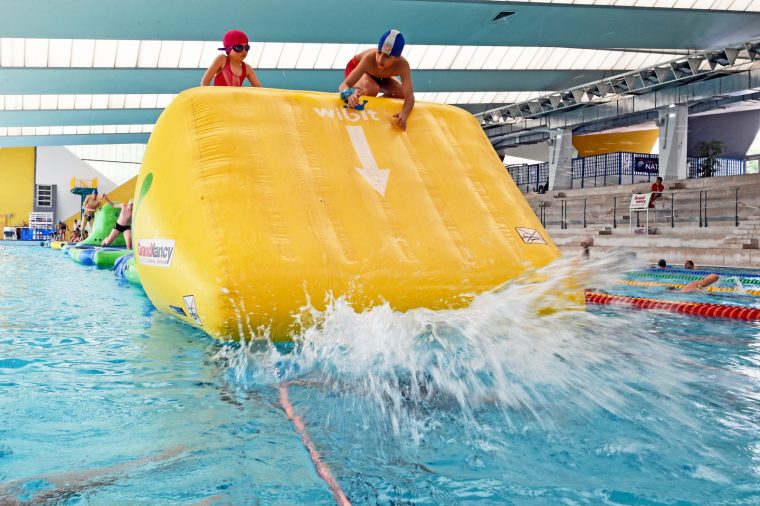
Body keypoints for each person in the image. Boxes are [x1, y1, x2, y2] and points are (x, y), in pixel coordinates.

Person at [339, 29, 415, 130]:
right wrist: (349, 94)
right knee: (372, 88)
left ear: (397, 59)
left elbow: (410, 97)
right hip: (355, 68)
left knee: (400, 93)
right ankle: (358, 99)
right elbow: (344, 84)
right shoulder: (369, 59)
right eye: (379, 52)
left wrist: (404, 114)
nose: (380, 59)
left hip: (381, 76)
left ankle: (376, 106)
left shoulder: (403, 66)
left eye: (387, 56)